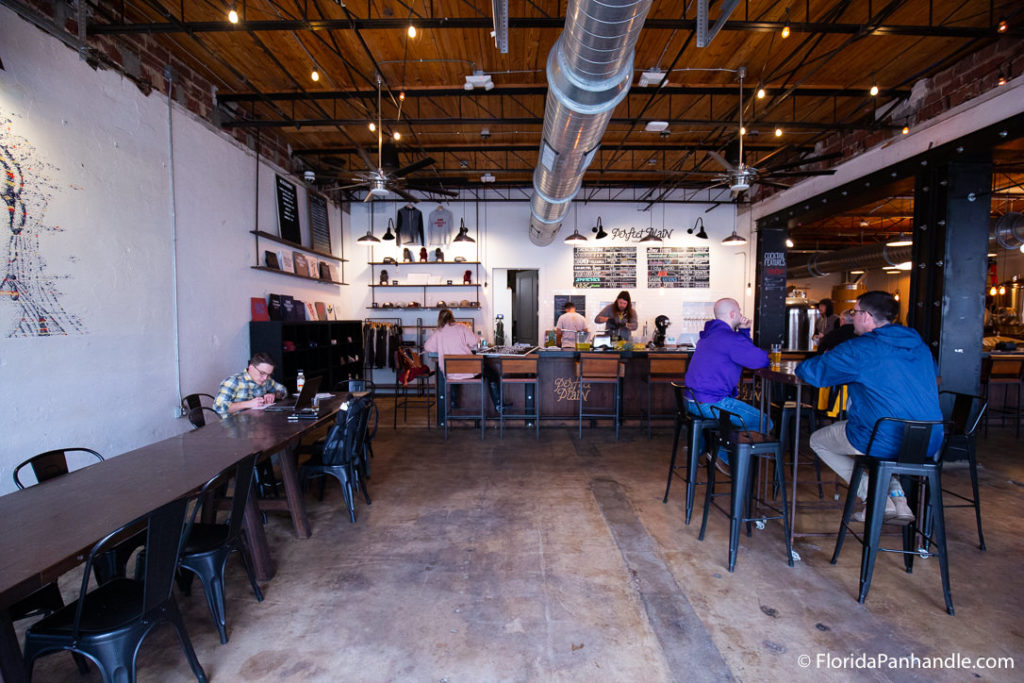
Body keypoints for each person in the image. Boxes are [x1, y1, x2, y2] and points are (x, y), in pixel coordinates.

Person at [795, 291, 944, 524]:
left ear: (866, 316)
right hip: (928, 439)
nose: (853, 317)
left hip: (882, 436)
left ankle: (875, 498)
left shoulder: (861, 348)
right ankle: (898, 499)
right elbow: (933, 375)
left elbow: (812, 372)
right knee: (880, 445)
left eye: (855, 312)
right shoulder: (919, 346)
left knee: (822, 441)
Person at [684, 298, 770, 464]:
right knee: (762, 421)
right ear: (733, 314)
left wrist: (743, 332)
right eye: (739, 311)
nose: (742, 315)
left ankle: (723, 450)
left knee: (741, 419)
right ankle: (727, 457)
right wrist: (745, 331)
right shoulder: (729, 338)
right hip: (710, 402)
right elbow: (759, 360)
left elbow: (745, 354)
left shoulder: (709, 335)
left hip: (692, 400)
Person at [424, 308, 507, 420]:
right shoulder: (461, 327)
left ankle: (454, 404)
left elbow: (427, 347)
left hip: (451, 373)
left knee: (455, 375)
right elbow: (475, 341)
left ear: (440, 319)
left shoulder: (438, 333)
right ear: (452, 317)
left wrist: (441, 347)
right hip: (469, 371)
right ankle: (498, 404)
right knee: (492, 373)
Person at [213, 352, 288, 417]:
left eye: (268, 375)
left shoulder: (266, 381)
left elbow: (283, 391)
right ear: (251, 367)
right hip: (234, 428)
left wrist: (274, 395)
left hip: (258, 424)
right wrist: (248, 404)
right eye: (262, 373)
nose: (265, 378)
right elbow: (219, 407)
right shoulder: (233, 381)